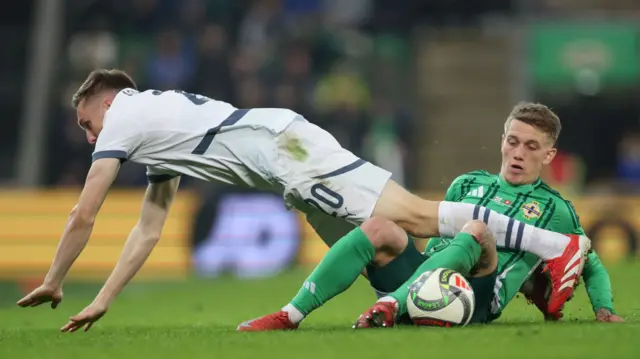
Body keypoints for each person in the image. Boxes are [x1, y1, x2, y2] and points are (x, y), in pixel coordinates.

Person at [17, 70, 588, 332]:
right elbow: (147, 230)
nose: (90, 136)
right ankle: (428, 300)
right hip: (283, 158)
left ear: (107, 102)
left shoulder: (125, 115)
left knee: (413, 213)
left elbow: (83, 212)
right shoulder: (156, 136)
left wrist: (56, 278)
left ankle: (557, 247)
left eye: (86, 122)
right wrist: (104, 301)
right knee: (379, 241)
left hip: (283, 148)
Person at [238, 102, 621, 331]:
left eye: (531, 146)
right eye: (513, 141)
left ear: (549, 156)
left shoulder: (556, 210)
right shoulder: (467, 183)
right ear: (502, 140)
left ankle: (390, 306)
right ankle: (289, 315)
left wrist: (604, 309)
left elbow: (588, 260)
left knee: (476, 230)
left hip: (479, 295)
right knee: (378, 228)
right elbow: (435, 244)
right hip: (428, 281)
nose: (518, 153)